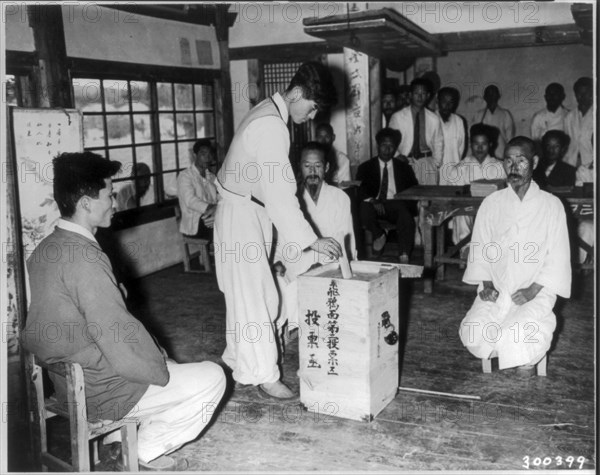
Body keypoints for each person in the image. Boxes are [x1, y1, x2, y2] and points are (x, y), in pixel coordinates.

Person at [22, 152, 226, 470]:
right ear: (87, 202)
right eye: (109, 193)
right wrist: (158, 365)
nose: (114, 202)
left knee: (162, 363)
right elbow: (115, 332)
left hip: (64, 382)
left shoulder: (45, 248)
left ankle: (118, 439)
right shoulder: (86, 257)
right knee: (212, 377)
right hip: (100, 388)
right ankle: (140, 450)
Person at [214, 61, 342, 400]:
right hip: (242, 214)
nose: (312, 116)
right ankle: (264, 376)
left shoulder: (266, 111)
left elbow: (274, 193)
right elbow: (281, 198)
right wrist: (314, 242)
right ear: (298, 94)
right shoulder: (272, 125)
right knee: (254, 297)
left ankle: (238, 360)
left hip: (244, 211)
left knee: (254, 295)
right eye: (312, 107)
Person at [459, 137, 571, 374]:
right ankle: (505, 348)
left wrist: (532, 290)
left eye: (521, 161)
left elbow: (558, 257)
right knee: (474, 329)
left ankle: (525, 358)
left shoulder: (551, 206)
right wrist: (487, 284)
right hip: (498, 288)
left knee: (519, 333)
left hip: (535, 290)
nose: (513, 167)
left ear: (535, 162)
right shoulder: (492, 203)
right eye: (508, 160)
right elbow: (480, 247)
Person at [274, 142, 357, 332]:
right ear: (299, 167)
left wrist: (323, 268)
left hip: (328, 268)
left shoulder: (340, 198)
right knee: (274, 284)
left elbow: (347, 245)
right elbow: (280, 241)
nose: (312, 171)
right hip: (293, 267)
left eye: (318, 166)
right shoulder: (289, 200)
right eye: (307, 166)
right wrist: (276, 262)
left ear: (326, 168)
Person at [357, 128, 418, 263]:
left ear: (395, 148)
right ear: (378, 146)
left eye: (391, 146)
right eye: (384, 145)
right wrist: (373, 200)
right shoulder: (365, 167)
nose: (387, 149)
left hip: (394, 205)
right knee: (363, 207)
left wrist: (404, 204)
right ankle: (379, 235)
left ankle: (404, 254)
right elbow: (360, 190)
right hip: (373, 204)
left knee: (404, 211)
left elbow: (414, 189)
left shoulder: (404, 168)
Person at [450, 124, 506, 247]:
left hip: (492, 210)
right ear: (470, 144)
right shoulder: (460, 168)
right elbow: (456, 195)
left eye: (484, 144)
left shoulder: (500, 167)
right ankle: (466, 251)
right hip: (468, 209)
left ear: (490, 144)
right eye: (476, 143)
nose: (480, 148)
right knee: (461, 213)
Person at [389, 77, 444, 185]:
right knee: (407, 198)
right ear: (410, 95)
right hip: (406, 161)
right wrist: (397, 156)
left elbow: (438, 142)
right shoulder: (398, 117)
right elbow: (389, 140)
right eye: (416, 93)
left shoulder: (434, 118)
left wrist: (436, 162)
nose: (420, 96)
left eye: (423, 93)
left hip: (427, 161)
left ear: (428, 96)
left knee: (427, 198)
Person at [177, 138, 218, 239]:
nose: (207, 158)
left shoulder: (212, 177)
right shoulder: (185, 176)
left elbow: (220, 196)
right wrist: (213, 209)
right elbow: (190, 201)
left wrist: (220, 208)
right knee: (224, 228)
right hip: (195, 226)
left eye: (210, 154)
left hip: (212, 218)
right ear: (194, 155)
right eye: (203, 154)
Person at [471, 85, 515, 160]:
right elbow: (474, 136)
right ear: (485, 97)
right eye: (489, 94)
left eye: (494, 94)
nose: (491, 97)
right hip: (483, 155)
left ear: (498, 96)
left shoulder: (505, 114)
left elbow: (509, 138)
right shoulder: (478, 115)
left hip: (501, 154)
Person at [564, 77, 593, 184]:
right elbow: (568, 143)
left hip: (591, 163)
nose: (582, 97)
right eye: (579, 93)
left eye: (586, 93)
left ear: (592, 93)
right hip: (571, 163)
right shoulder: (569, 117)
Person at [437, 86, 468, 185]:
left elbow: (461, 148)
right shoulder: (431, 119)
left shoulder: (459, 121)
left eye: (450, 102)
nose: (447, 105)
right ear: (438, 101)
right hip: (435, 171)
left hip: (454, 168)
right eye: (444, 101)